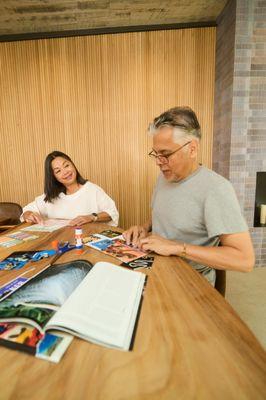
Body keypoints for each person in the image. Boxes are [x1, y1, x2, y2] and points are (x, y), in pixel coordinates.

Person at [123, 106, 255, 285]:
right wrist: (144, 228)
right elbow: (165, 214)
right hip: (157, 269)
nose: (158, 162)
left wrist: (177, 248)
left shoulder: (216, 189)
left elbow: (245, 260)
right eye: (156, 154)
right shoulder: (164, 177)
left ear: (192, 149)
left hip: (190, 283)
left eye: (166, 154)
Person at [21, 151, 119, 227]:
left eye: (66, 165)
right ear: (53, 177)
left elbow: (112, 213)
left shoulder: (92, 189)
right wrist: (28, 214)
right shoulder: (52, 196)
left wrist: (91, 217)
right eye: (58, 171)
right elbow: (26, 211)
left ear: (73, 165)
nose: (65, 172)